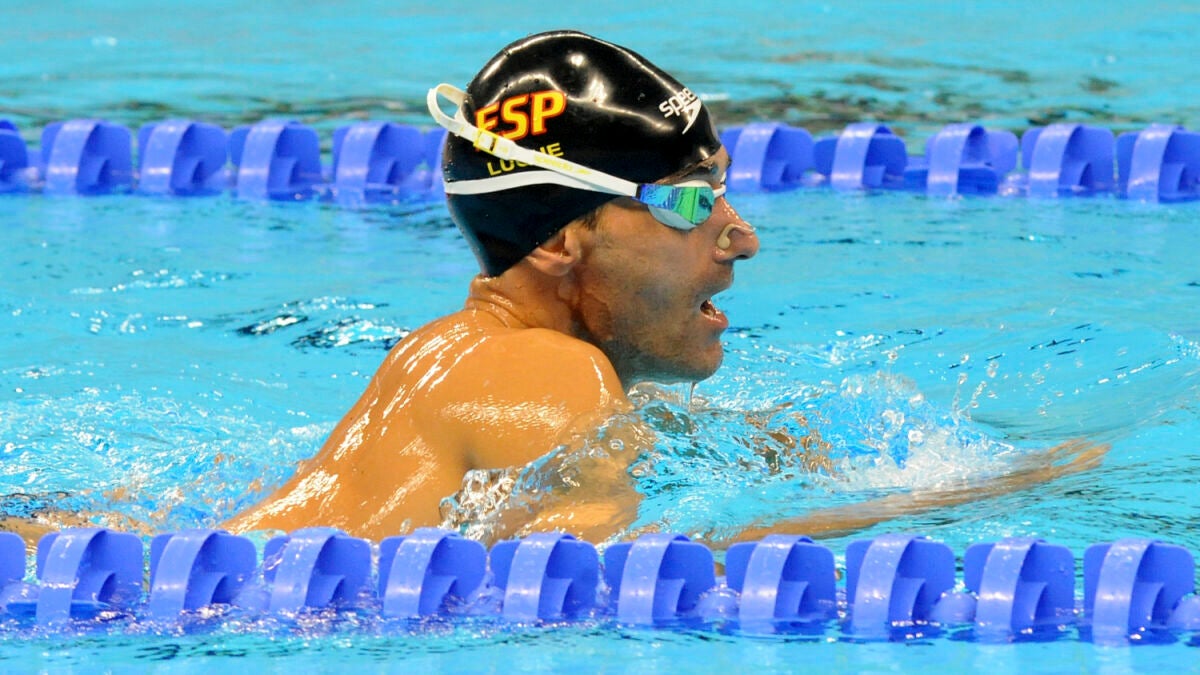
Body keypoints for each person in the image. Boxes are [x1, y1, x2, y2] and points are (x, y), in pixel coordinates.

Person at [224, 30, 1105, 546]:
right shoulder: (552, 376)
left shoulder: (449, 354)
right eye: (687, 200)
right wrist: (936, 502)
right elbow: (587, 597)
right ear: (560, 240)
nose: (742, 235)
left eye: (721, 186)